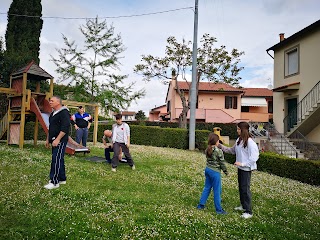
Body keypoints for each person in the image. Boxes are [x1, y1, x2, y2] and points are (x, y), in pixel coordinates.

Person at [219, 121, 259, 219]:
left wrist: (243, 163)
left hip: (246, 169)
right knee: (241, 188)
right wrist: (220, 146)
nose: (237, 130)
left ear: (243, 130)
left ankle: (248, 212)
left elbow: (254, 157)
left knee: (245, 189)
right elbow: (232, 150)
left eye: (238, 129)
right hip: (240, 168)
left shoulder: (250, 142)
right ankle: (243, 206)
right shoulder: (239, 140)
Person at [197, 133, 228, 214]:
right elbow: (222, 163)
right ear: (217, 142)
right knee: (217, 191)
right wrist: (225, 171)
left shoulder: (207, 149)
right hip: (215, 172)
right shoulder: (219, 151)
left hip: (208, 170)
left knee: (207, 188)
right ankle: (219, 210)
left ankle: (201, 205)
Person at [44, 96, 71, 190]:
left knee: (56, 159)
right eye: (50, 101)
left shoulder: (64, 112)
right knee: (59, 159)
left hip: (60, 140)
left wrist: (57, 139)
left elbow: (65, 127)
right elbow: (51, 128)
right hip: (53, 139)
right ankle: (62, 179)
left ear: (58, 102)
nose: (50, 102)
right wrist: (48, 139)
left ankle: (54, 182)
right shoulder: (52, 114)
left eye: (52, 101)